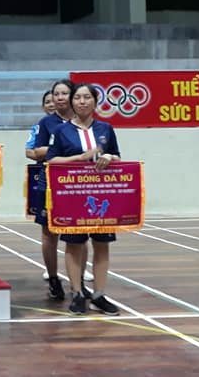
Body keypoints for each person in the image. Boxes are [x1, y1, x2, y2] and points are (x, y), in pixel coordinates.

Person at [47, 83, 122, 316]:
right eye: (77, 97)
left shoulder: (106, 129)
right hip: (73, 196)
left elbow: (118, 156)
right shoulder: (62, 131)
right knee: (74, 244)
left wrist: (109, 156)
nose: (81, 101)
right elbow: (51, 161)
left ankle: (99, 294)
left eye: (86, 97)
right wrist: (78, 158)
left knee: (102, 245)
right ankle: (77, 293)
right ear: (72, 102)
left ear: (95, 101)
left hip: (102, 195)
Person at [27, 80, 88, 300]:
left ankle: (79, 282)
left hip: (79, 183)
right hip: (50, 181)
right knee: (49, 232)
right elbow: (37, 152)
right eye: (56, 94)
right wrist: (57, 151)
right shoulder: (46, 123)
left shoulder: (83, 121)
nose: (60, 98)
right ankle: (54, 279)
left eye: (64, 93)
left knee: (81, 232)